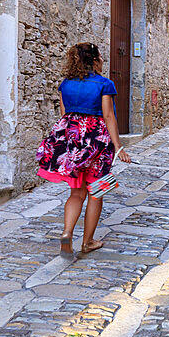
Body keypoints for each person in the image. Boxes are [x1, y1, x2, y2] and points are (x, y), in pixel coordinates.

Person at [37, 42, 131, 255]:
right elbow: (108, 116)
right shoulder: (104, 84)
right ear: (95, 60)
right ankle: (87, 242)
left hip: (73, 142)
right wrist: (118, 147)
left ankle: (67, 232)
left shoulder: (65, 85)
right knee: (96, 193)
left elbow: (64, 115)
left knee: (76, 193)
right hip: (98, 143)